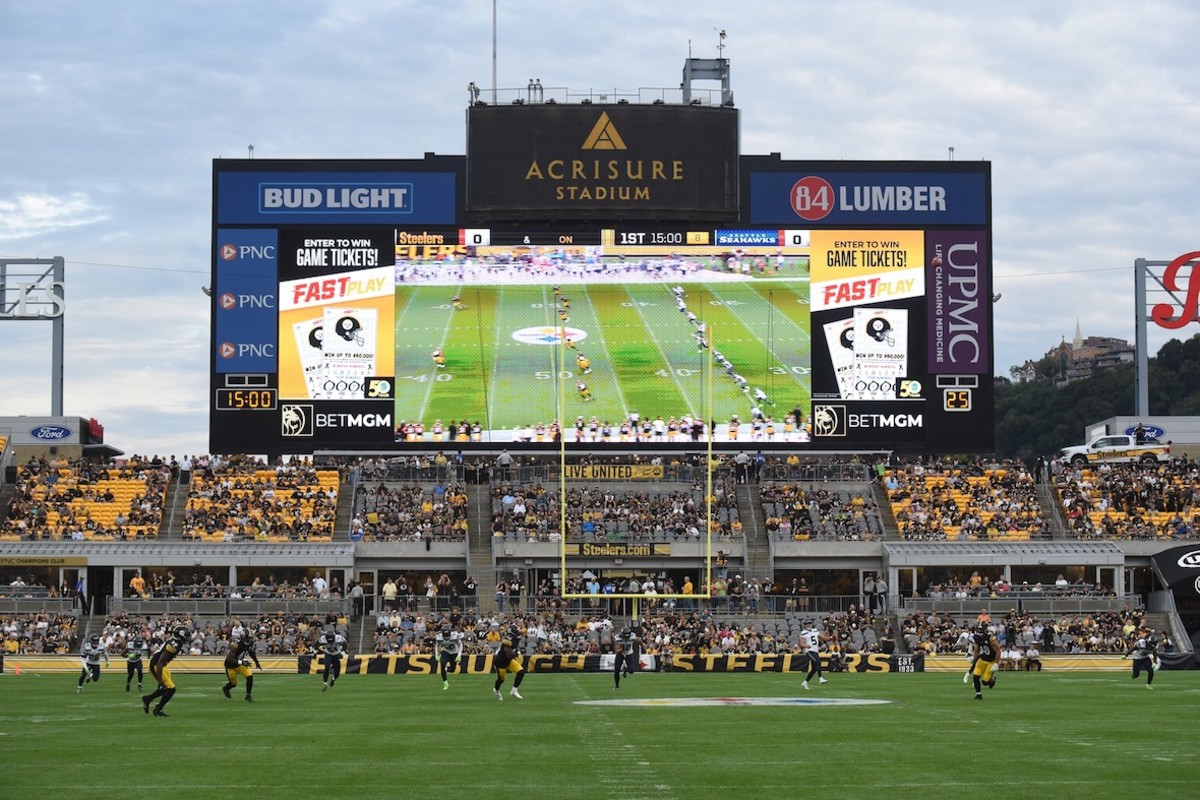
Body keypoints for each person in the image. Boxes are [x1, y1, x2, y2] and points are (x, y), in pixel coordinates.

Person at [143, 627, 189, 717]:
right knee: (170, 688)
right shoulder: (173, 645)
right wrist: (160, 682)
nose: (187, 638)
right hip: (156, 666)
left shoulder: (176, 642)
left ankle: (148, 699)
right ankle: (158, 709)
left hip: (162, 665)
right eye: (186, 635)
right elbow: (160, 663)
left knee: (166, 688)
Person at [221, 630, 262, 702]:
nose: (249, 640)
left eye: (250, 638)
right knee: (233, 684)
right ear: (243, 637)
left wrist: (256, 662)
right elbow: (230, 658)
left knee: (250, 676)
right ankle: (226, 688)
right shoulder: (236, 644)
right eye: (247, 638)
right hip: (231, 666)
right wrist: (241, 662)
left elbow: (251, 651)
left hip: (240, 664)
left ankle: (248, 695)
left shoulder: (249, 644)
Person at [492, 626, 527, 700]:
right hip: (501, 663)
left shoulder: (514, 638)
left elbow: (522, 631)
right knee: (501, 680)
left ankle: (514, 690)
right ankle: (496, 690)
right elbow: (508, 655)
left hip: (509, 661)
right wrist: (517, 653)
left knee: (521, 671)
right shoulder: (507, 642)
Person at [969, 622, 1000, 700]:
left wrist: (996, 663)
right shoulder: (977, 637)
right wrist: (973, 658)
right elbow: (977, 649)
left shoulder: (990, 637)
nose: (979, 631)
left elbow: (998, 651)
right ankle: (978, 694)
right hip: (982, 660)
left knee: (985, 682)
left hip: (991, 661)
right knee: (975, 677)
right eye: (978, 629)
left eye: (981, 629)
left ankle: (992, 679)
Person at [800, 620, 829, 690]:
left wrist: (829, 634)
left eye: (809, 623)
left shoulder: (815, 631)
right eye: (807, 624)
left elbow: (825, 638)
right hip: (809, 651)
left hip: (815, 651)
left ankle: (805, 682)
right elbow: (801, 643)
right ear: (804, 626)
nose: (808, 625)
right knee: (818, 662)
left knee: (813, 669)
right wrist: (806, 645)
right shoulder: (803, 633)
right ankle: (821, 678)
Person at [436, 622, 464, 691]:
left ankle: (446, 670)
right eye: (445, 636)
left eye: (447, 635)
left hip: (454, 652)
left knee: (453, 669)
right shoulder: (439, 637)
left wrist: (459, 655)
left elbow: (460, 645)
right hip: (446, 651)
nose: (446, 638)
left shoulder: (455, 635)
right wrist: (437, 655)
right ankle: (445, 683)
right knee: (442, 664)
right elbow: (436, 646)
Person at [320, 627, 348, 691]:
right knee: (326, 667)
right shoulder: (323, 639)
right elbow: (316, 643)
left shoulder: (339, 638)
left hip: (336, 654)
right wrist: (315, 651)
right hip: (328, 653)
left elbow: (345, 645)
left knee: (337, 671)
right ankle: (325, 683)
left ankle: (333, 679)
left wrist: (343, 653)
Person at [613, 625, 640, 690]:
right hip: (621, 654)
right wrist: (621, 649)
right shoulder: (617, 637)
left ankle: (625, 669)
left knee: (631, 670)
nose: (626, 638)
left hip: (629, 653)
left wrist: (642, 644)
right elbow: (616, 650)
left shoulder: (632, 636)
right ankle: (617, 686)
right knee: (616, 670)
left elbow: (638, 640)